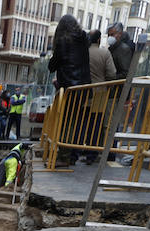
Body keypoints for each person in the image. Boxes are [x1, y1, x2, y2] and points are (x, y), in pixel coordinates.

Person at [48, 14, 89, 165]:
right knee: (75, 123)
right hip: (84, 87)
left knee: (65, 123)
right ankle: (71, 155)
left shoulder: (63, 41)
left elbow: (52, 65)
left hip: (69, 88)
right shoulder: (83, 39)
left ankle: (63, 157)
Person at [84, 30, 116, 164]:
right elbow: (112, 73)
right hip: (99, 93)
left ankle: (77, 150)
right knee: (95, 124)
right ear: (98, 40)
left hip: (82, 92)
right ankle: (91, 154)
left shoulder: (82, 53)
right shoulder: (104, 53)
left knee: (82, 122)